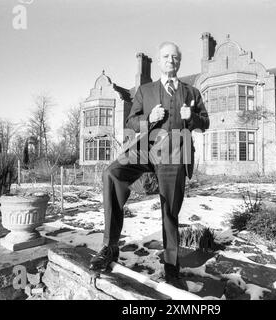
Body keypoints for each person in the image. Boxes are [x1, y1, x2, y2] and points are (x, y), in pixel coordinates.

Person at [89, 41, 210, 290]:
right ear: (160, 59)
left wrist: (193, 117)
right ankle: (110, 247)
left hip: (175, 153)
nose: (171, 60)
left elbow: (205, 122)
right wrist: (148, 118)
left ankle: (171, 269)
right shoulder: (145, 90)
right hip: (146, 148)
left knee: (169, 212)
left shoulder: (192, 92)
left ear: (179, 61)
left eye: (175, 57)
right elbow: (132, 122)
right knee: (112, 173)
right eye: (166, 56)